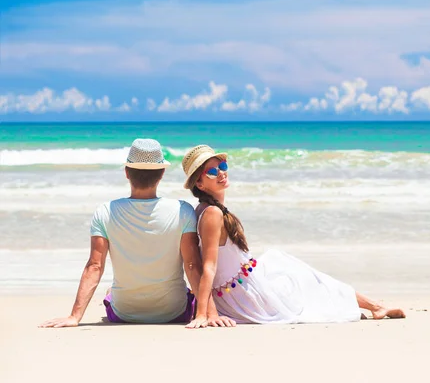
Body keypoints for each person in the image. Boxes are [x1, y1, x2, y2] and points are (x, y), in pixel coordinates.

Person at [181, 144, 405, 328]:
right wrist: (205, 314)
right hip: (243, 295)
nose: (221, 172)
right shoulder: (212, 213)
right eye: (211, 171)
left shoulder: (209, 208)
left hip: (241, 283)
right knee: (301, 278)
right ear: (199, 183)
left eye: (222, 166)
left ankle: (374, 306)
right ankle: (375, 306)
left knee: (286, 264)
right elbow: (207, 266)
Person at [40, 139, 234, 328]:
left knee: (111, 291)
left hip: (123, 314)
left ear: (126, 172)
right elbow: (192, 266)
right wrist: (210, 313)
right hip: (175, 313)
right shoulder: (182, 211)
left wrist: (75, 316)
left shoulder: (106, 211)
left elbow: (94, 267)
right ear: (162, 174)